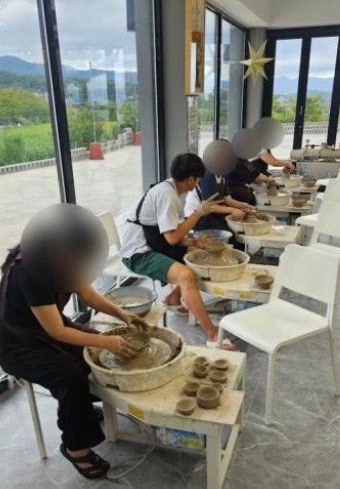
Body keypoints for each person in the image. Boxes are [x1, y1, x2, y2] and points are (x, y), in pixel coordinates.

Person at [0, 205, 150, 479]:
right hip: (17, 344)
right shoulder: (30, 270)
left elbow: (88, 294)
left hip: (45, 328)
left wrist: (122, 314)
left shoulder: (64, 256)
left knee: (92, 355)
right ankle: (75, 447)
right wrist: (104, 342)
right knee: (70, 376)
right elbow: (57, 331)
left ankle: (80, 409)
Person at [120, 153, 236, 350]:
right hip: (138, 253)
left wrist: (194, 242)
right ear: (191, 179)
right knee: (186, 275)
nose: (198, 184)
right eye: (198, 180)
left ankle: (173, 298)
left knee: (196, 256)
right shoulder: (168, 195)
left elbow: (170, 233)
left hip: (153, 243)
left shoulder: (168, 188)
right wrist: (198, 213)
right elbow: (172, 238)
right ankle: (212, 335)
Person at [228, 150, 294, 205]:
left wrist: (266, 180)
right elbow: (273, 163)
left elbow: (255, 178)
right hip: (232, 190)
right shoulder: (240, 158)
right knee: (249, 197)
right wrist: (268, 180)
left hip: (232, 187)